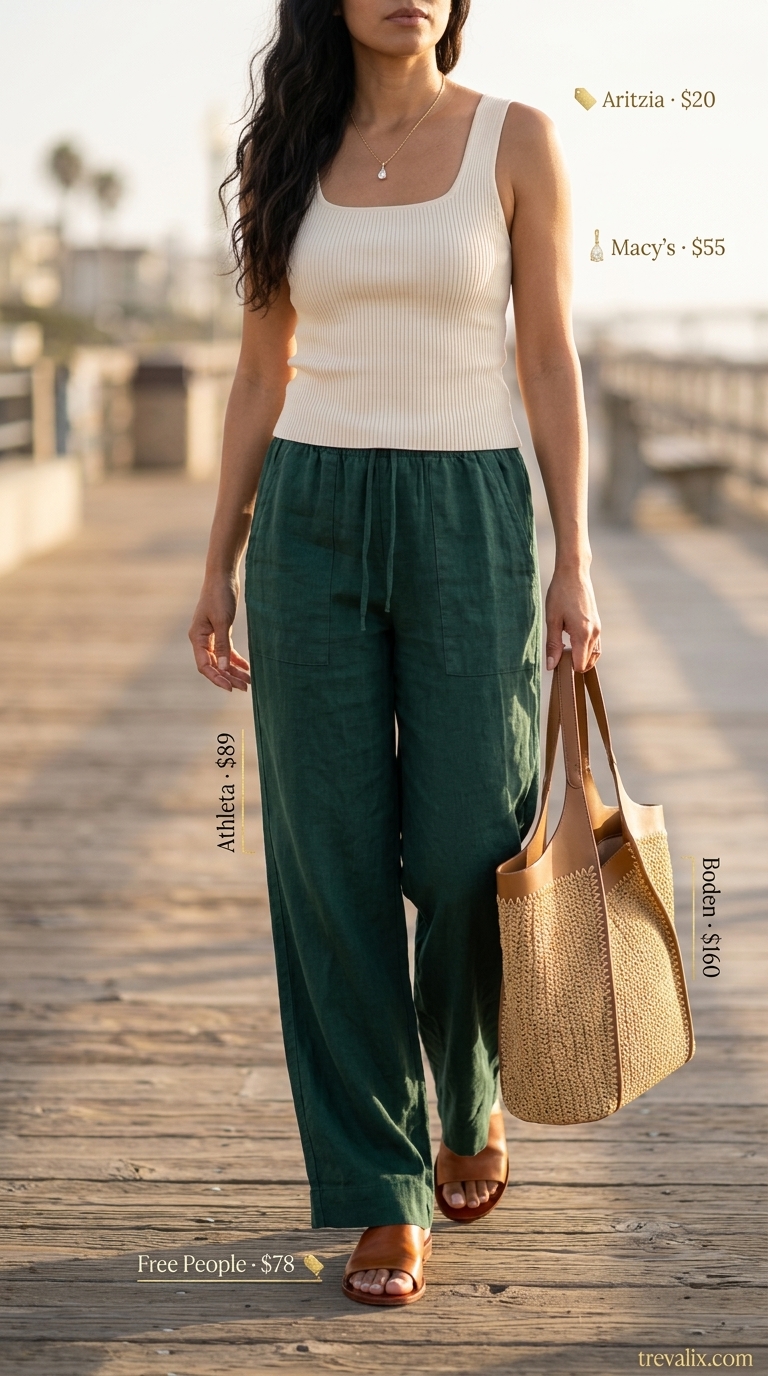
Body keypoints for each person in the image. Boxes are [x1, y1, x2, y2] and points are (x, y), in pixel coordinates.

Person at [189, 0, 601, 1307]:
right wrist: (218, 558)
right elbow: (261, 370)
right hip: (308, 518)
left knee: (474, 844)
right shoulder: (286, 148)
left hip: (468, 511)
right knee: (330, 859)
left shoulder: (517, 140)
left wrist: (574, 556)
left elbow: (548, 356)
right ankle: (381, 1181)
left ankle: (468, 1091)